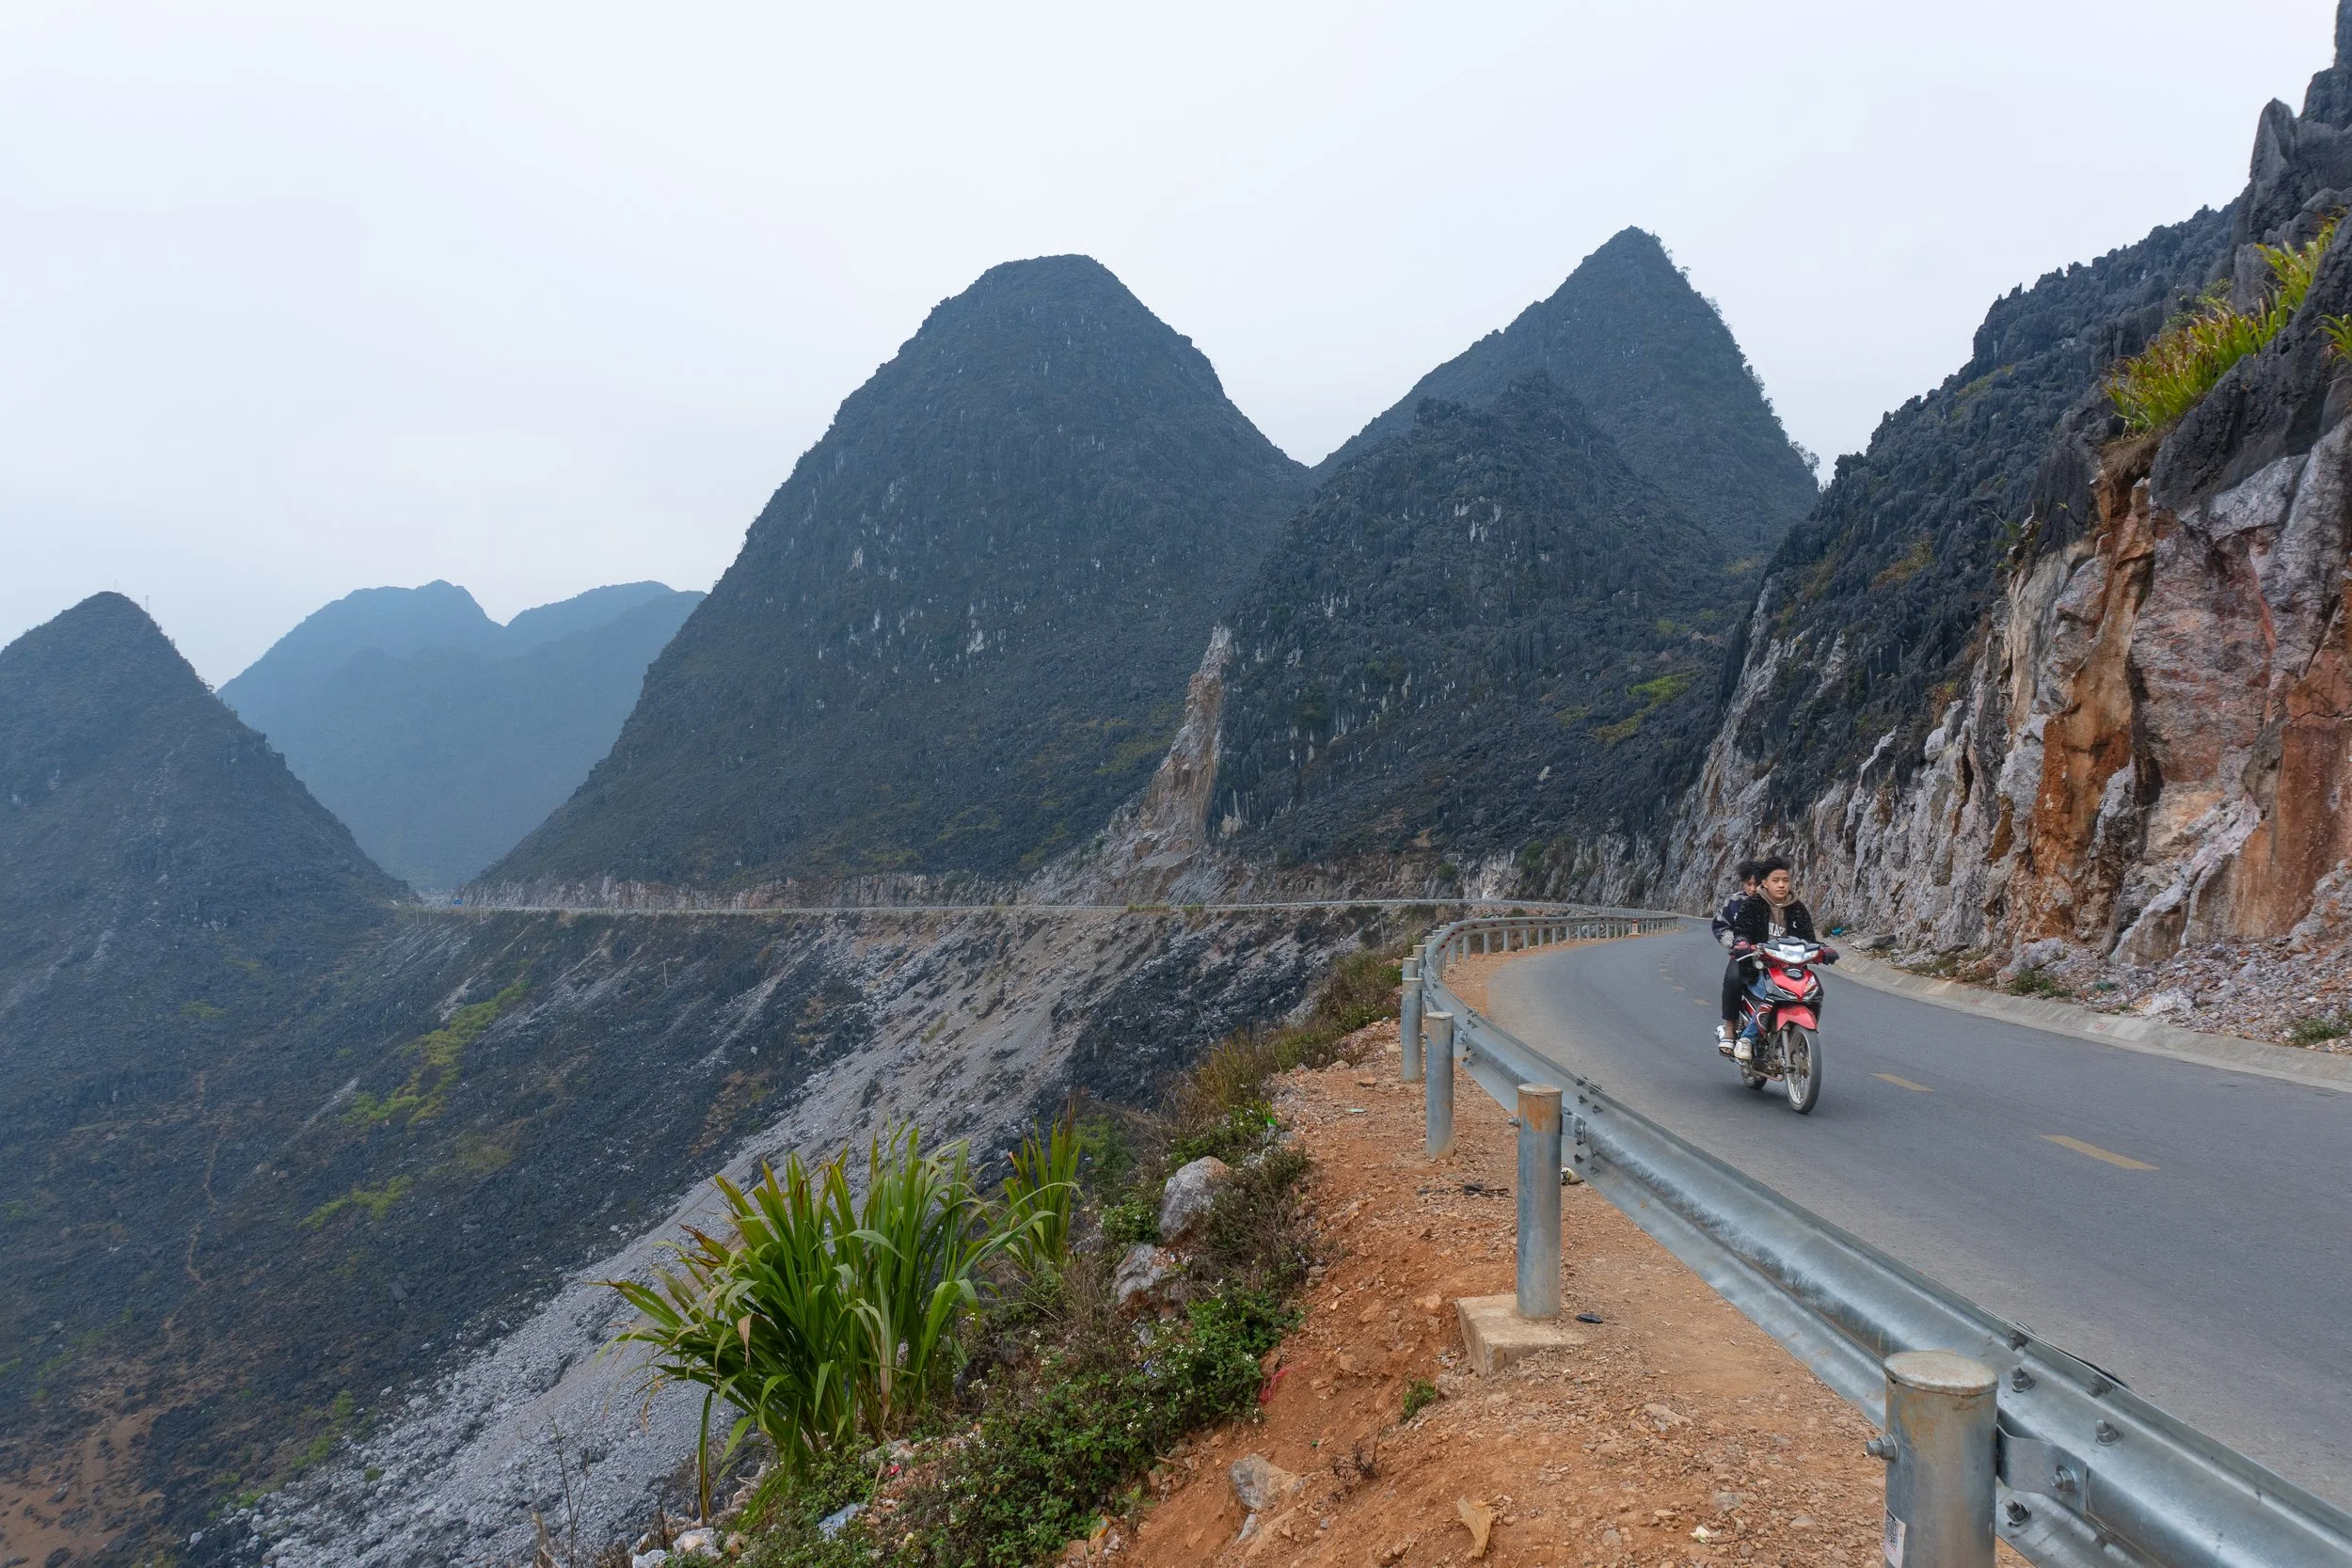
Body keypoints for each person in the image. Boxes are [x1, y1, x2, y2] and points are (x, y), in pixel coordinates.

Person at [1726, 856, 1837, 1062]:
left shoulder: (1798, 908)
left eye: (1785, 880)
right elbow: (1742, 930)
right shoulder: (1753, 905)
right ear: (1765, 883)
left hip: (1792, 968)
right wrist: (1742, 943)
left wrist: (1824, 950)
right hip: (1760, 966)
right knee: (1771, 993)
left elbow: (1809, 939)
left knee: (1814, 991)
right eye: (1776, 880)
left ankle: (1801, 1033)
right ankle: (1746, 1039)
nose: (1781, 885)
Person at [1711, 860, 1761, 1053]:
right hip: (1742, 957)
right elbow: (1720, 926)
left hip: (1771, 957)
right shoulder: (1734, 902)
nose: (1752, 888)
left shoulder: (1772, 904)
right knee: (1733, 980)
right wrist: (1735, 944)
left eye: (1757, 884)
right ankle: (1730, 1030)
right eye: (1748, 884)